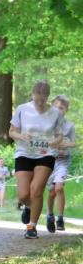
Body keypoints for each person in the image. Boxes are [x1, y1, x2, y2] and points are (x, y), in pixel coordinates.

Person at [9, 80, 64, 239]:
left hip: (46, 153)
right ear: (32, 95)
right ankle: (28, 207)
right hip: (24, 152)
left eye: (43, 99)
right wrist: (22, 136)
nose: (39, 102)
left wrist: (55, 141)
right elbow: (12, 131)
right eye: (36, 98)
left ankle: (31, 227)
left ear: (47, 97)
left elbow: (60, 135)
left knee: (37, 189)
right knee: (24, 195)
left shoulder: (55, 113)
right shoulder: (22, 109)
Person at [46, 95, 76, 232]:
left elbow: (74, 142)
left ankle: (60, 217)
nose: (59, 110)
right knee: (51, 192)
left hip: (63, 160)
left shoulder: (69, 126)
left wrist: (65, 144)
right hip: (48, 160)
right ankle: (49, 215)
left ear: (66, 110)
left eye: (62, 108)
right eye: (57, 107)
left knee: (58, 188)